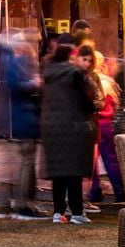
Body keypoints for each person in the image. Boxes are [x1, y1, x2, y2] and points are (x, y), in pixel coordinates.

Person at [40, 32, 99, 224]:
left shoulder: (48, 72)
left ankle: (58, 212)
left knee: (59, 173)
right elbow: (88, 101)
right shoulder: (74, 74)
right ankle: (77, 212)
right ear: (72, 53)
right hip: (73, 128)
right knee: (73, 171)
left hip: (52, 128)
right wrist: (97, 105)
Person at [0, 30, 43, 220]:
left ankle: (14, 205)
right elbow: (16, 88)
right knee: (24, 163)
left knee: (21, 163)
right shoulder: (14, 64)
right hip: (21, 119)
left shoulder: (19, 63)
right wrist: (34, 84)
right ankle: (22, 205)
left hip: (22, 119)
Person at [79, 45, 125, 204]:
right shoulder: (107, 81)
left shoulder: (92, 80)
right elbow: (112, 108)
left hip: (96, 123)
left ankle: (96, 192)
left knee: (94, 162)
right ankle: (118, 192)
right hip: (103, 125)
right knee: (108, 160)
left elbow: (102, 107)